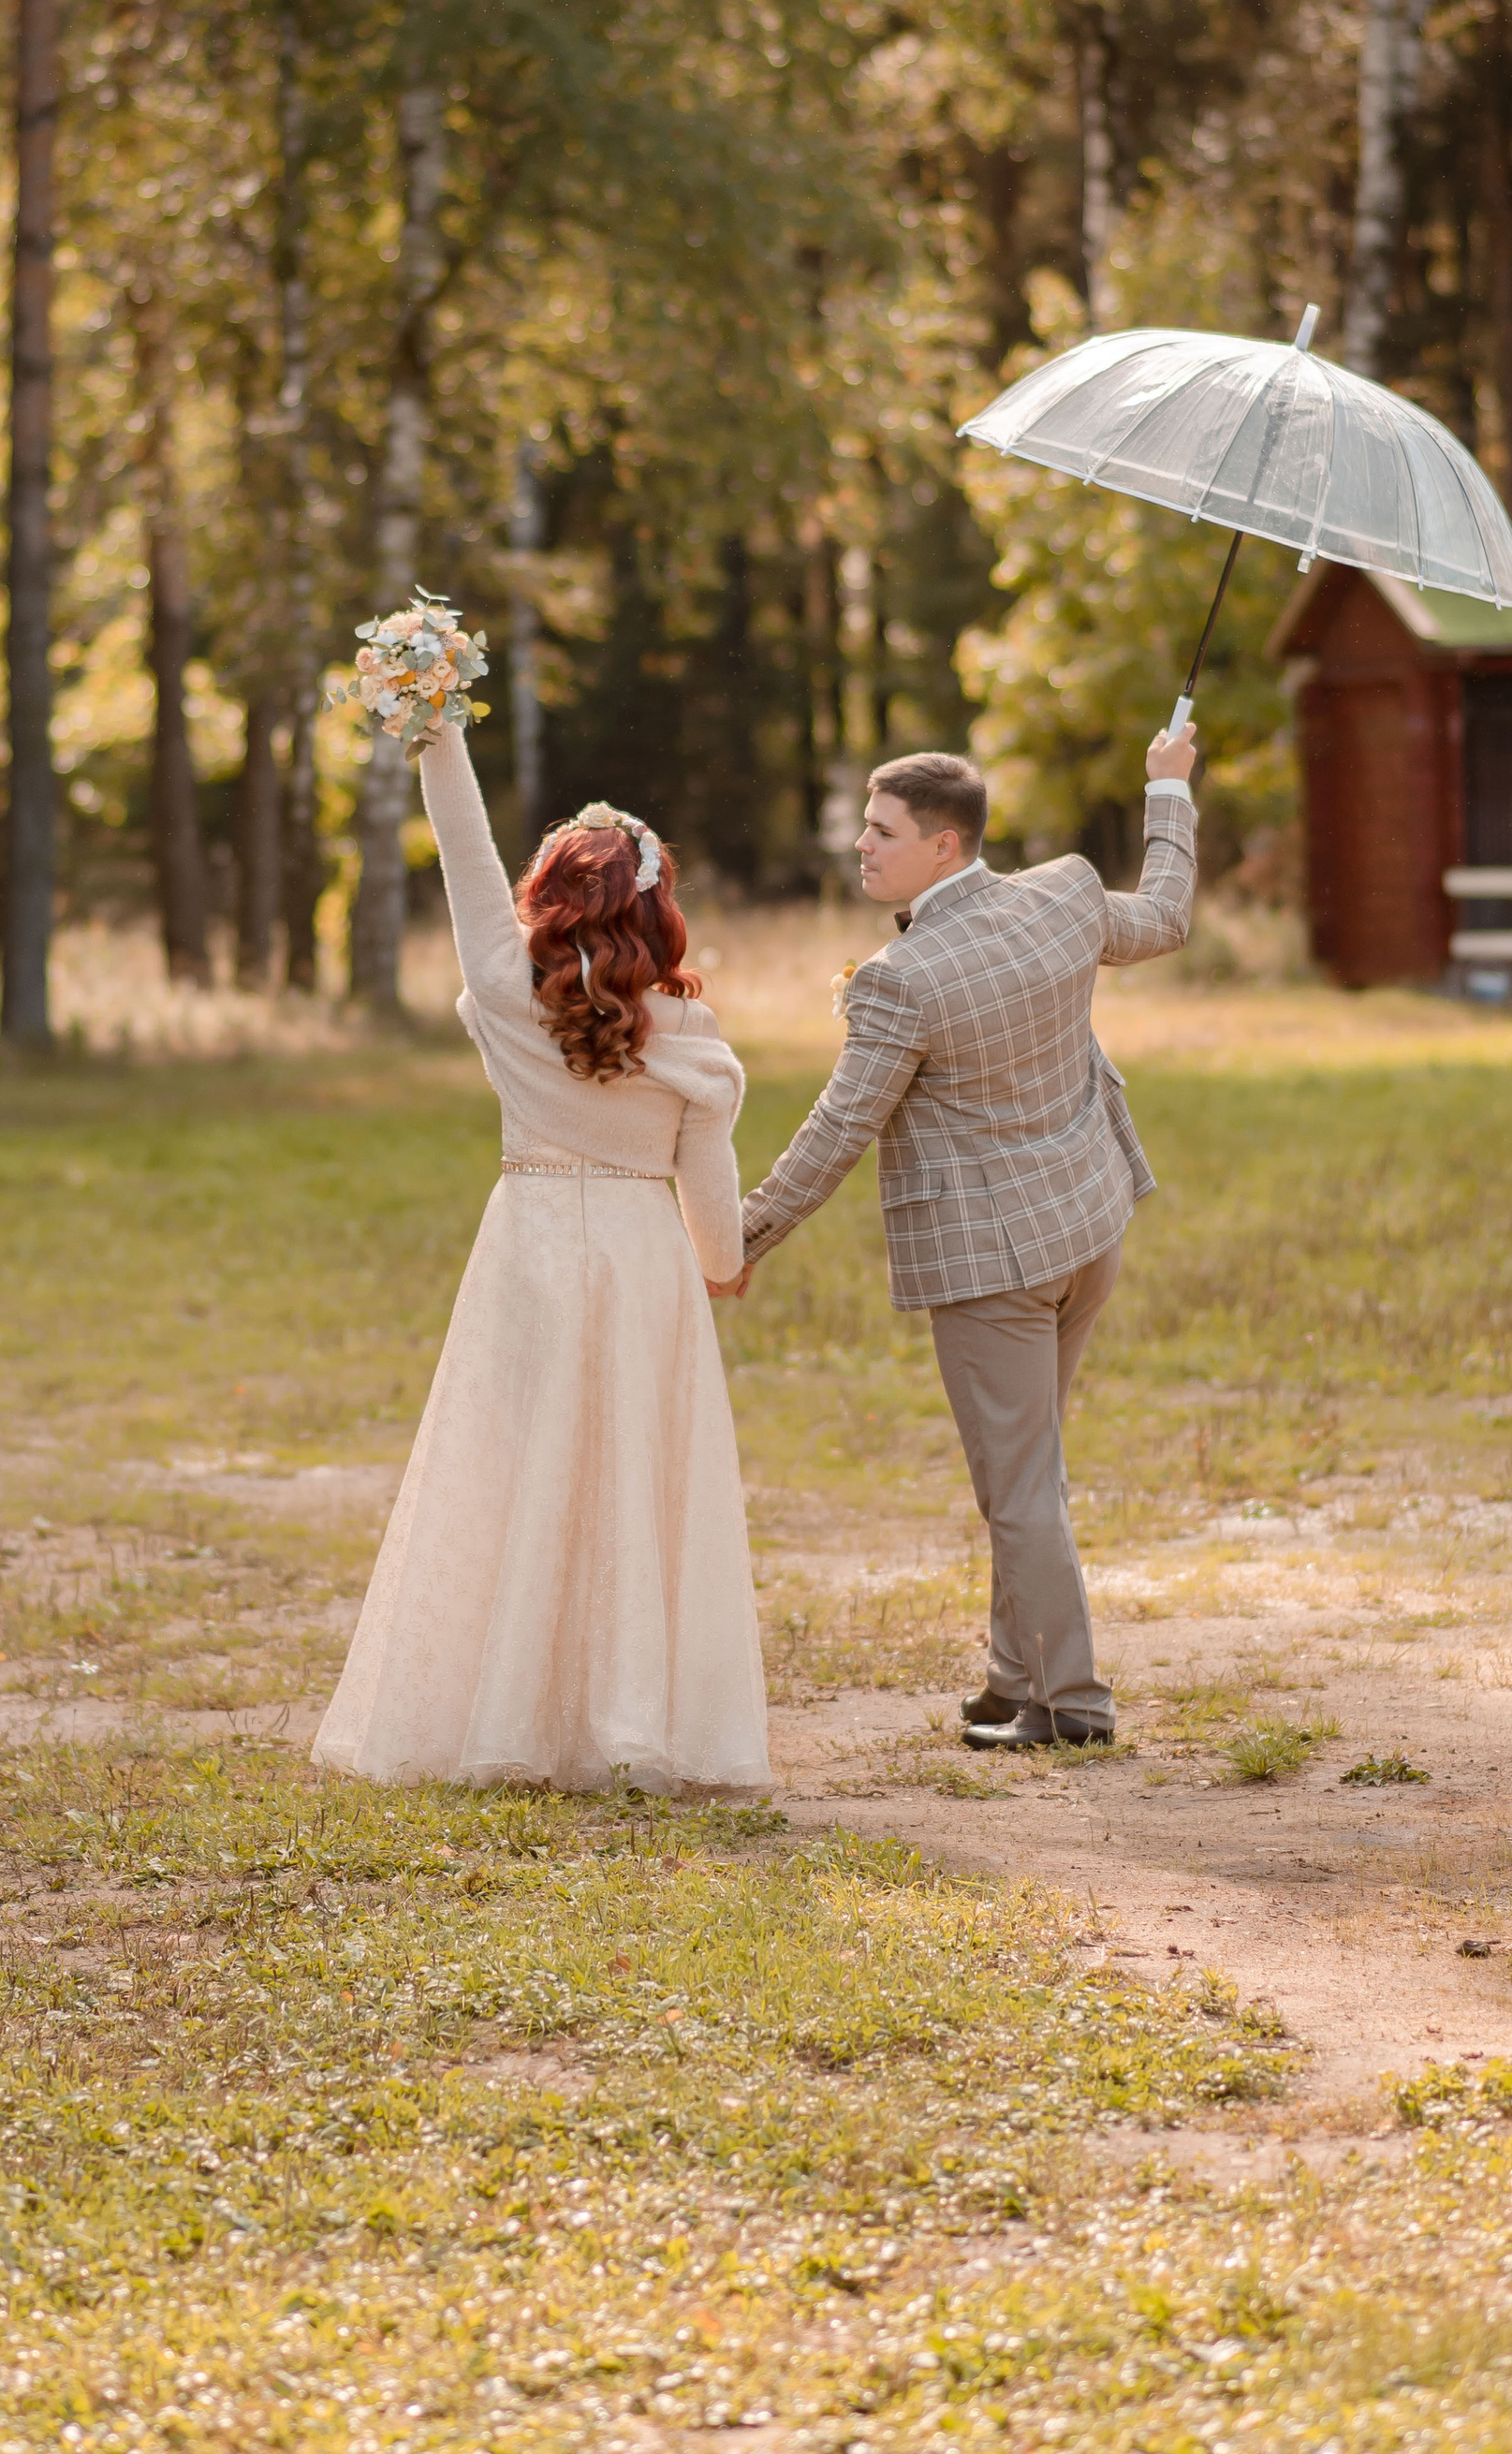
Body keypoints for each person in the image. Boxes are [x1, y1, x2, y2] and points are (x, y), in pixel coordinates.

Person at [313, 718, 771, 1796]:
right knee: (630, 1480)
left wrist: (436, 732)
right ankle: (626, 1717)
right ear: (657, 910)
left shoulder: (508, 993)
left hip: (529, 1245)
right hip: (641, 1258)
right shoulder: (690, 1037)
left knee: (514, 1470)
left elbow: (465, 858)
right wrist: (722, 1262)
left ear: (547, 899)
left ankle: (505, 1711)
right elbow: (711, 1206)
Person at [731, 726, 1198, 1750]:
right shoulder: (1064, 893)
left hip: (996, 1268)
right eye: (864, 826)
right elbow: (1165, 914)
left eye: (882, 830)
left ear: (944, 845)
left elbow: (838, 1129)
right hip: (1088, 1229)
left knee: (1018, 1484)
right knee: (1027, 1471)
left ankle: (1070, 1703)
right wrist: (1168, 788)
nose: (861, 844)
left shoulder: (903, 977)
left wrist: (740, 1236)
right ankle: (1011, 1675)